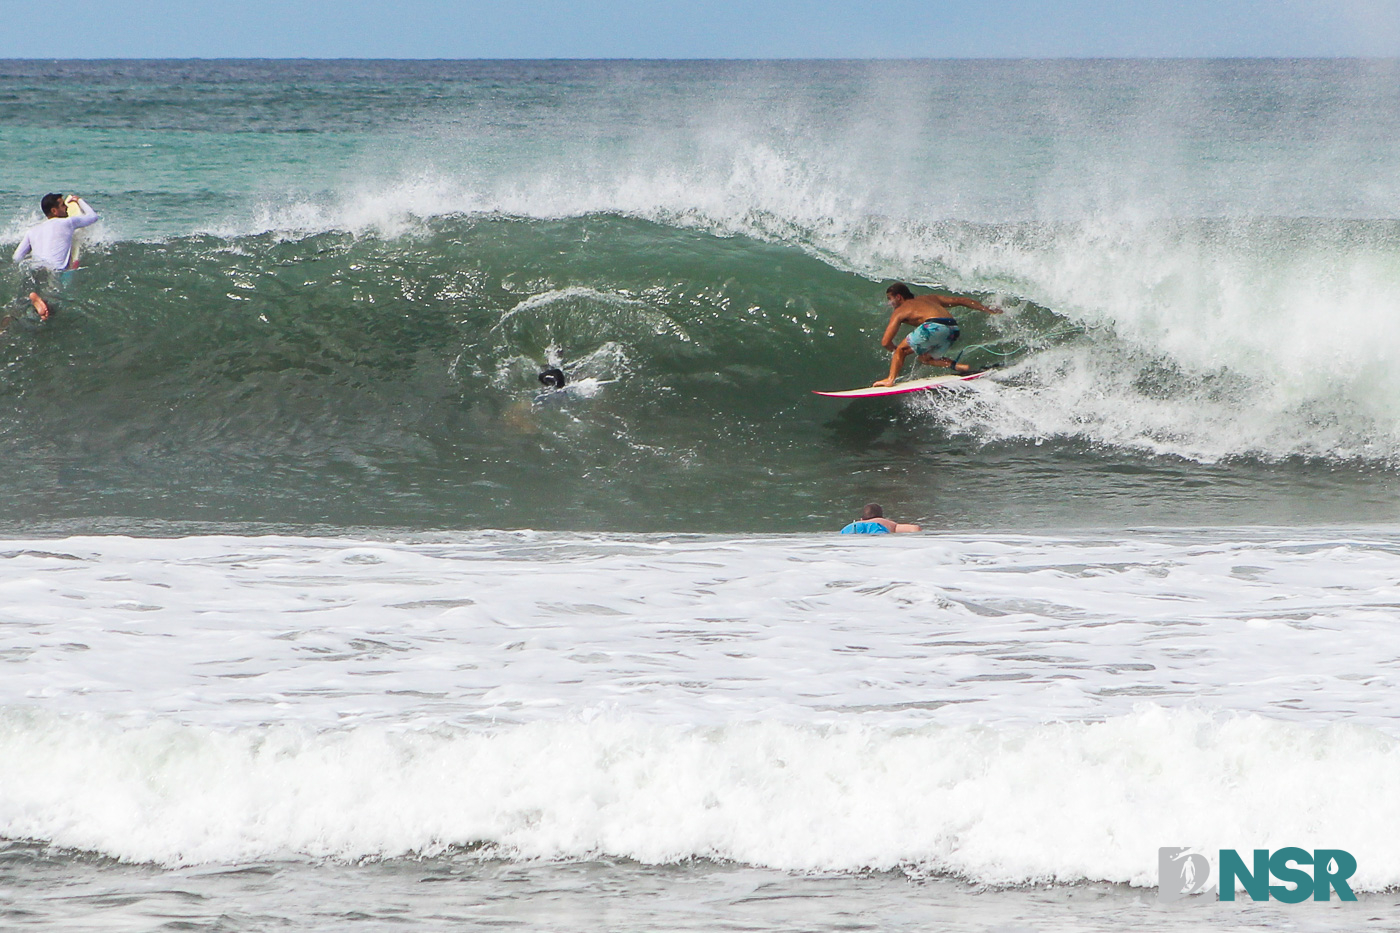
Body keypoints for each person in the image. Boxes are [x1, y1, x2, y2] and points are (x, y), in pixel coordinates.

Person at [873, 282, 1002, 387]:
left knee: (901, 350)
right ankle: (963, 368)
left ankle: (890, 380)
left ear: (899, 297)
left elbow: (885, 342)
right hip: (952, 329)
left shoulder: (900, 310)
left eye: (890, 299)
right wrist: (988, 310)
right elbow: (960, 300)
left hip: (934, 326)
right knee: (925, 358)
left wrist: (896, 352)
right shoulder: (929, 298)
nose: (890, 303)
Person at [11, 193, 101, 321]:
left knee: (22, 307)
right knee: (53, 308)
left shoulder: (32, 230)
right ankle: (40, 303)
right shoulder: (68, 222)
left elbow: (17, 257)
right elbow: (93, 217)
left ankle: (31, 303)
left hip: (34, 267)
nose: (67, 208)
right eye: (63, 206)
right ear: (54, 210)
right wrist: (79, 200)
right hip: (53, 270)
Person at [839, 503, 920, 534]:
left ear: (862, 519)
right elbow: (915, 528)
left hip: (852, 528)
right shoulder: (885, 522)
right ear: (882, 517)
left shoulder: (857, 523)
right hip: (876, 528)